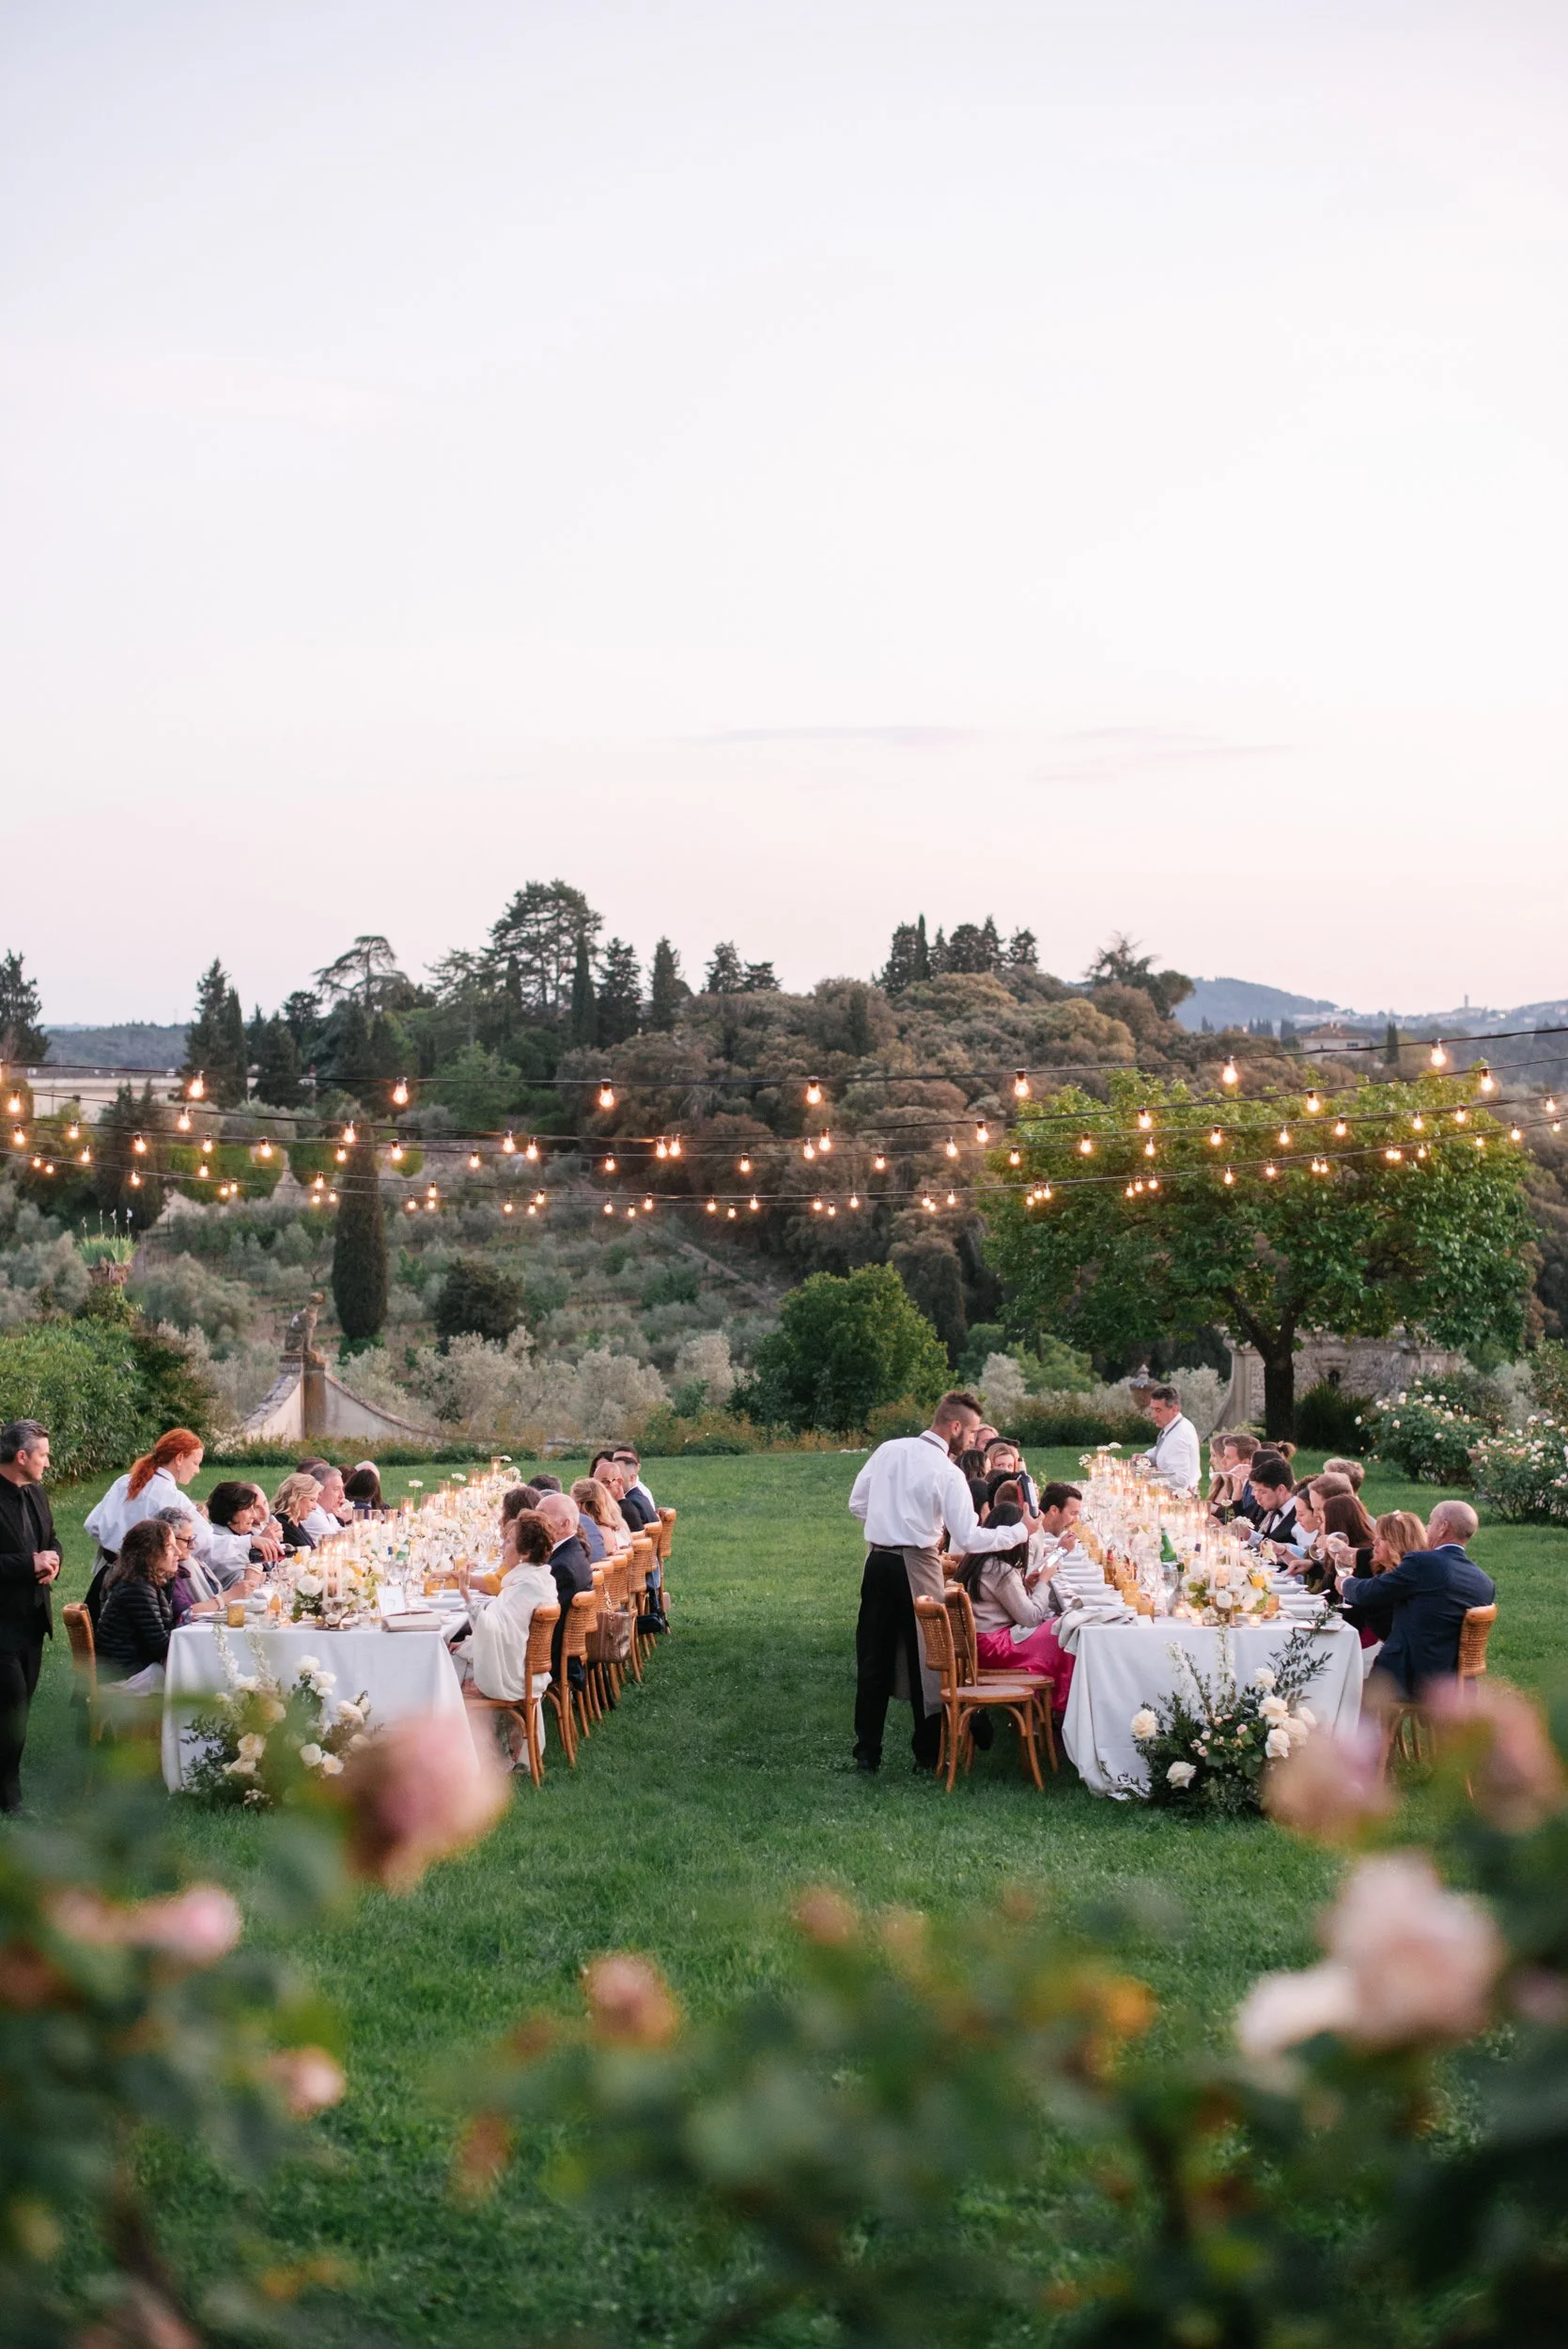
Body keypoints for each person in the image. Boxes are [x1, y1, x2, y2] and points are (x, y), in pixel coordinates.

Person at [846, 1389, 1037, 1774]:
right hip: (918, 1563)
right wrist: (1020, 1533)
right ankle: (926, 1755)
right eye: (969, 1436)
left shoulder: (888, 1450)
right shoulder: (947, 1473)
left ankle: (867, 1753)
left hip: (878, 1560)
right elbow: (968, 1538)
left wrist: (889, 1523)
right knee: (929, 1660)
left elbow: (857, 1504)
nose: (970, 1443)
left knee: (873, 1657)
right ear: (954, 1427)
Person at [1339, 1501, 1495, 1700]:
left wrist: (1346, 1583)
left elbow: (1370, 1592)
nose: (1427, 1529)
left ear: (1443, 1527)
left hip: (1407, 1679)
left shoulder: (1423, 1562)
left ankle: (1370, 1731)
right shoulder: (1484, 1581)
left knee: (1345, 1689)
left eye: (1430, 1523)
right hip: (1454, 1684)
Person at [958, 1491, 1076, 1711]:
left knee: (1061, 1626)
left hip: (981, 1643)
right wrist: (1044, 1581)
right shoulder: (1000, 1571)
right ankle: (1063, 1703)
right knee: (1066, 1628)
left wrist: (1028, 1585)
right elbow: (1031, 1618)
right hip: (994, 1649)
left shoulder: (979, 1561)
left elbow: (1006, 1602)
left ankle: (1056, 1703)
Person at [463, 1508, 559, 1763]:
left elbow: (498, 1633)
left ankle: (471, 1759)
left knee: (445, 1671)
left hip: (513, 1677)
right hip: (527, 1670)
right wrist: (466, 1645)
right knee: (457, 1655)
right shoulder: (535, 1579)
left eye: (508, 1542)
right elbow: (505, 1631)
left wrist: (467, 1598)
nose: (502, 1546)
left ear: (525, 1553)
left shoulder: (526, 1587)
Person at [0, 1419, 60, 1814]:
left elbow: (51, 1538)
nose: (48, 1463)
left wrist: (53, 1560)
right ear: (21, 1457)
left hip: (33, 1621)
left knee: (19, 1707)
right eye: (43, 1455)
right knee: (12, 1708)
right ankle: (11, 1800)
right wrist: (29, 1563)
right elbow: (25, 1558)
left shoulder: (36, 1493)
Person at [85, 1427, 208, 1563]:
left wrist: (115, 1546)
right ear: (179, 1458)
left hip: (105, 1575)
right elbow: (205, 1541)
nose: (197, 1470)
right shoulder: (173, 1498)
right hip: (143, 1576)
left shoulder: (125, 1481)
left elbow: (92, 1524)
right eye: (195, 1463)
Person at [95, 1518, 179, 1690]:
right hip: (124, 1678)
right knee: (196, 1682)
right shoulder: (137, 1589)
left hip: (132, 1670)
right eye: (170, 1547)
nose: (177, 1552)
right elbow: (161, 1646)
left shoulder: (144, 1583)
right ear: (151, 1553)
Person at [536, 1491, 594, 1682]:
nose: (535, 1521)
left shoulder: (562, 1567)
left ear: (564, 1524)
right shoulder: (570, 1552)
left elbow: (540, 1621)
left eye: (542, 1515)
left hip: (549, 1660)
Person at [204, 1482, 283, 1583]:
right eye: (248, 1509)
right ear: (229, 1513)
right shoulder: (219, 1543)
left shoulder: (240, 1535)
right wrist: (259, 1548)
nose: (253, 1515)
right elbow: (243, 1586)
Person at [1136, 1384, 1201, 1489]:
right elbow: (1164, 1450)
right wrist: (1146, 1458)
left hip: (1180, 1500)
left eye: (1158, 1410)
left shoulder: (1180, 1435)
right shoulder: (1174, 1427)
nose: (1153, 1415)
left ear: (1174, 1409)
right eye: (1152, 1409)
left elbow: (1181, 1479)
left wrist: (1147, 1478)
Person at [1240, 1453, 1296, 1548]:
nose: (1256, 1496)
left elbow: (1307, 1555)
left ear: (1280, 1490)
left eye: (1262, 1492)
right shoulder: (1275, 1507)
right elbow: (1270, 1546)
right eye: (1255, 1490)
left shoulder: (1301, 1514)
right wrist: (1249, 1535)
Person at [297, 1462, 352, 1545]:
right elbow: (339, 1544)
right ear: (319, 1491)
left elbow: (346, 1535)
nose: (342, 1495)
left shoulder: (328, 1513)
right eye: (336, 1489)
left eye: (342, 1489)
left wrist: (348, 1520)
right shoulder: (312, 1514)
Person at [270, 1472, 322, 1551]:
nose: (314, 1507)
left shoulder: (295, 1524)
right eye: (311, 1500)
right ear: (296, 1498)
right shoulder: (281, 1526)